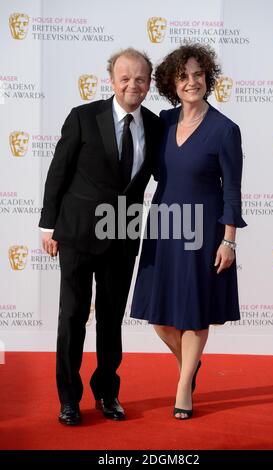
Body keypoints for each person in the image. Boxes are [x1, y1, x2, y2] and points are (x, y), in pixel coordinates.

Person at [39, 48, 163, 425]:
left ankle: (108, 394)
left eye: (140, 78)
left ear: (148, 84)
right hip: (76, 234)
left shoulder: (156, 127)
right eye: (125, 77)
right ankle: (69, 400)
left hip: (123, 235)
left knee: (111, 321)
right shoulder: (83, 117)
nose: (132, 84)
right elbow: (58, 172)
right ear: (111, 80)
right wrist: (48, 225)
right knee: (72, 318)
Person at [130, 44, 246, 420]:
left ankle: (183, 389)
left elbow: (231, 189)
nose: (192, 81)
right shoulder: (162, 121)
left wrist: (229, 239)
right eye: (184, 76)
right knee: (161, 318)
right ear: (171, 83)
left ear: (207, 78)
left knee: (194, 313)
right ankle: (190, 366)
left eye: (198, 75)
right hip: (164, 225)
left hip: (203, 230)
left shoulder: (225, 130)